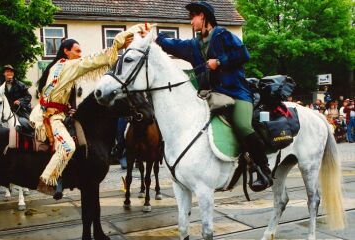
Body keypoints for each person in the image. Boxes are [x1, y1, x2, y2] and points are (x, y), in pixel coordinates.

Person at [153, 1, 272, 190]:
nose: (191, 21)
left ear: (203, 16)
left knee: (242, 125)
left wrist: (219, 61)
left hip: (237, 93)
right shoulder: (194, 45)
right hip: (211, 96)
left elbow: (243, 54)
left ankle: (263, 170)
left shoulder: (223, 35)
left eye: (193, 17)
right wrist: (154, 37)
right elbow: (173, 45)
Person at [30, 24, 144, 197]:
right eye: (77, 50)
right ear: (66, 51)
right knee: (68, 146)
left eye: (80, 51)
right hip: (50, 117)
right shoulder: (67, 65)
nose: (79, 54)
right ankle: (49, 180)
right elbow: (90, 62)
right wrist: (116, 46)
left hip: (53, 112)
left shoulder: (56, 67)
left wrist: (68, 108)